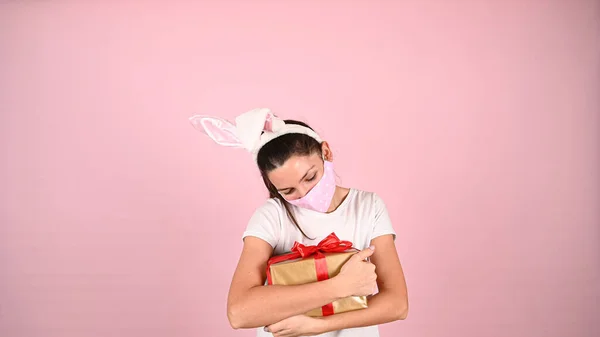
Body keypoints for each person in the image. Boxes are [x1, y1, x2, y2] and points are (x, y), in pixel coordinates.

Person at [190, 108, 408, 337]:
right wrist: (340, 287)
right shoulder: (271, 216)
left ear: (326, 152)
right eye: (288, 190)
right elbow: (239, 313)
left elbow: (397, 304)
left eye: (310, 177)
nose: (305, 193)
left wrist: (320, 326)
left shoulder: (368, 207)